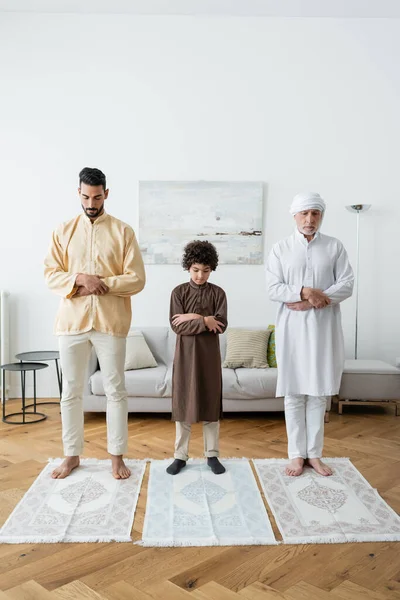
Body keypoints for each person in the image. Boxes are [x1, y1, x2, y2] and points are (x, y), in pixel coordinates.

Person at [44, 167, 146, 479]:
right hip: (72, 323)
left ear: (106, 194)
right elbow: (50, 273)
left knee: (116, 389)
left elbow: (137, 278)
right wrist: (79, 278)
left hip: (110, 323)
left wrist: (102, 284)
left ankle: (117, 457)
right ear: (78, 193)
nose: (91, 202)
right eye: (86, 196)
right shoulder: (63, 230)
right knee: (71, 392)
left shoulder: (123, 231)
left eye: (97, 197)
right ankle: (71, 455)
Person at [266, 192, 354, 477]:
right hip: (291, 329)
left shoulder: (334, 247)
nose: (309, 219)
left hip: (323, 328)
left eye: (315, 213)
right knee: (293, 392)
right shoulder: (281, 248)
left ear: (321, 216)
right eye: (304, 213)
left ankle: (314, 454)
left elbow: (347, 285)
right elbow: (273, 288)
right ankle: (295, 455)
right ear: (294, 216)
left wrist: (314, 300)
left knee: (317, 393)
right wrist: (304, 291)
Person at [167, 240, 228, 475]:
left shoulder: (218, 293)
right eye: (195, 270)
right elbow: (177, 326)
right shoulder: (178, 292)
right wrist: (203, 319)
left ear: (211, 268)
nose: (200, 275)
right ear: (188, 267)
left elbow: (220, 325)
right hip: (184, 357)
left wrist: (192, 318)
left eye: (205, 270)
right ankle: (180, 456)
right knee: (183, 405)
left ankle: (212, 455)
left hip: (209, 357)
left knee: (210, 404)